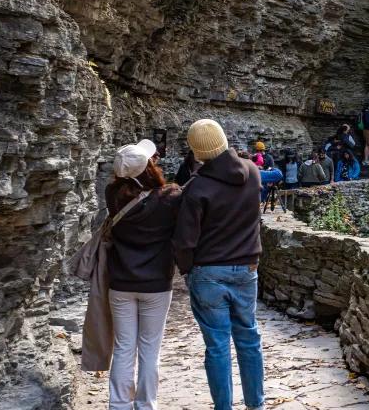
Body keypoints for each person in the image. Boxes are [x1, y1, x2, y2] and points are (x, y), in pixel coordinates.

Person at [173, 119, 264, 410]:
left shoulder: (197, 188)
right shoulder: (253, 173)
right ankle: (256, 405)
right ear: (224, 140)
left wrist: (186, 270)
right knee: (249, 337)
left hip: (208, 271)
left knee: (217, 345)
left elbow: (185, 240)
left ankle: (223, 407)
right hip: (247, 266)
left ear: (196, 152)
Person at [105, 138, 181, 410]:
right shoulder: (170, 197)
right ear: (150, 166)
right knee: (150, 349)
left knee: (124, 347)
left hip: (121, 282)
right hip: (157, 283)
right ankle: (146, 404)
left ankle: (118, 405)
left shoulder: (111, 195)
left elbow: (129, 189)